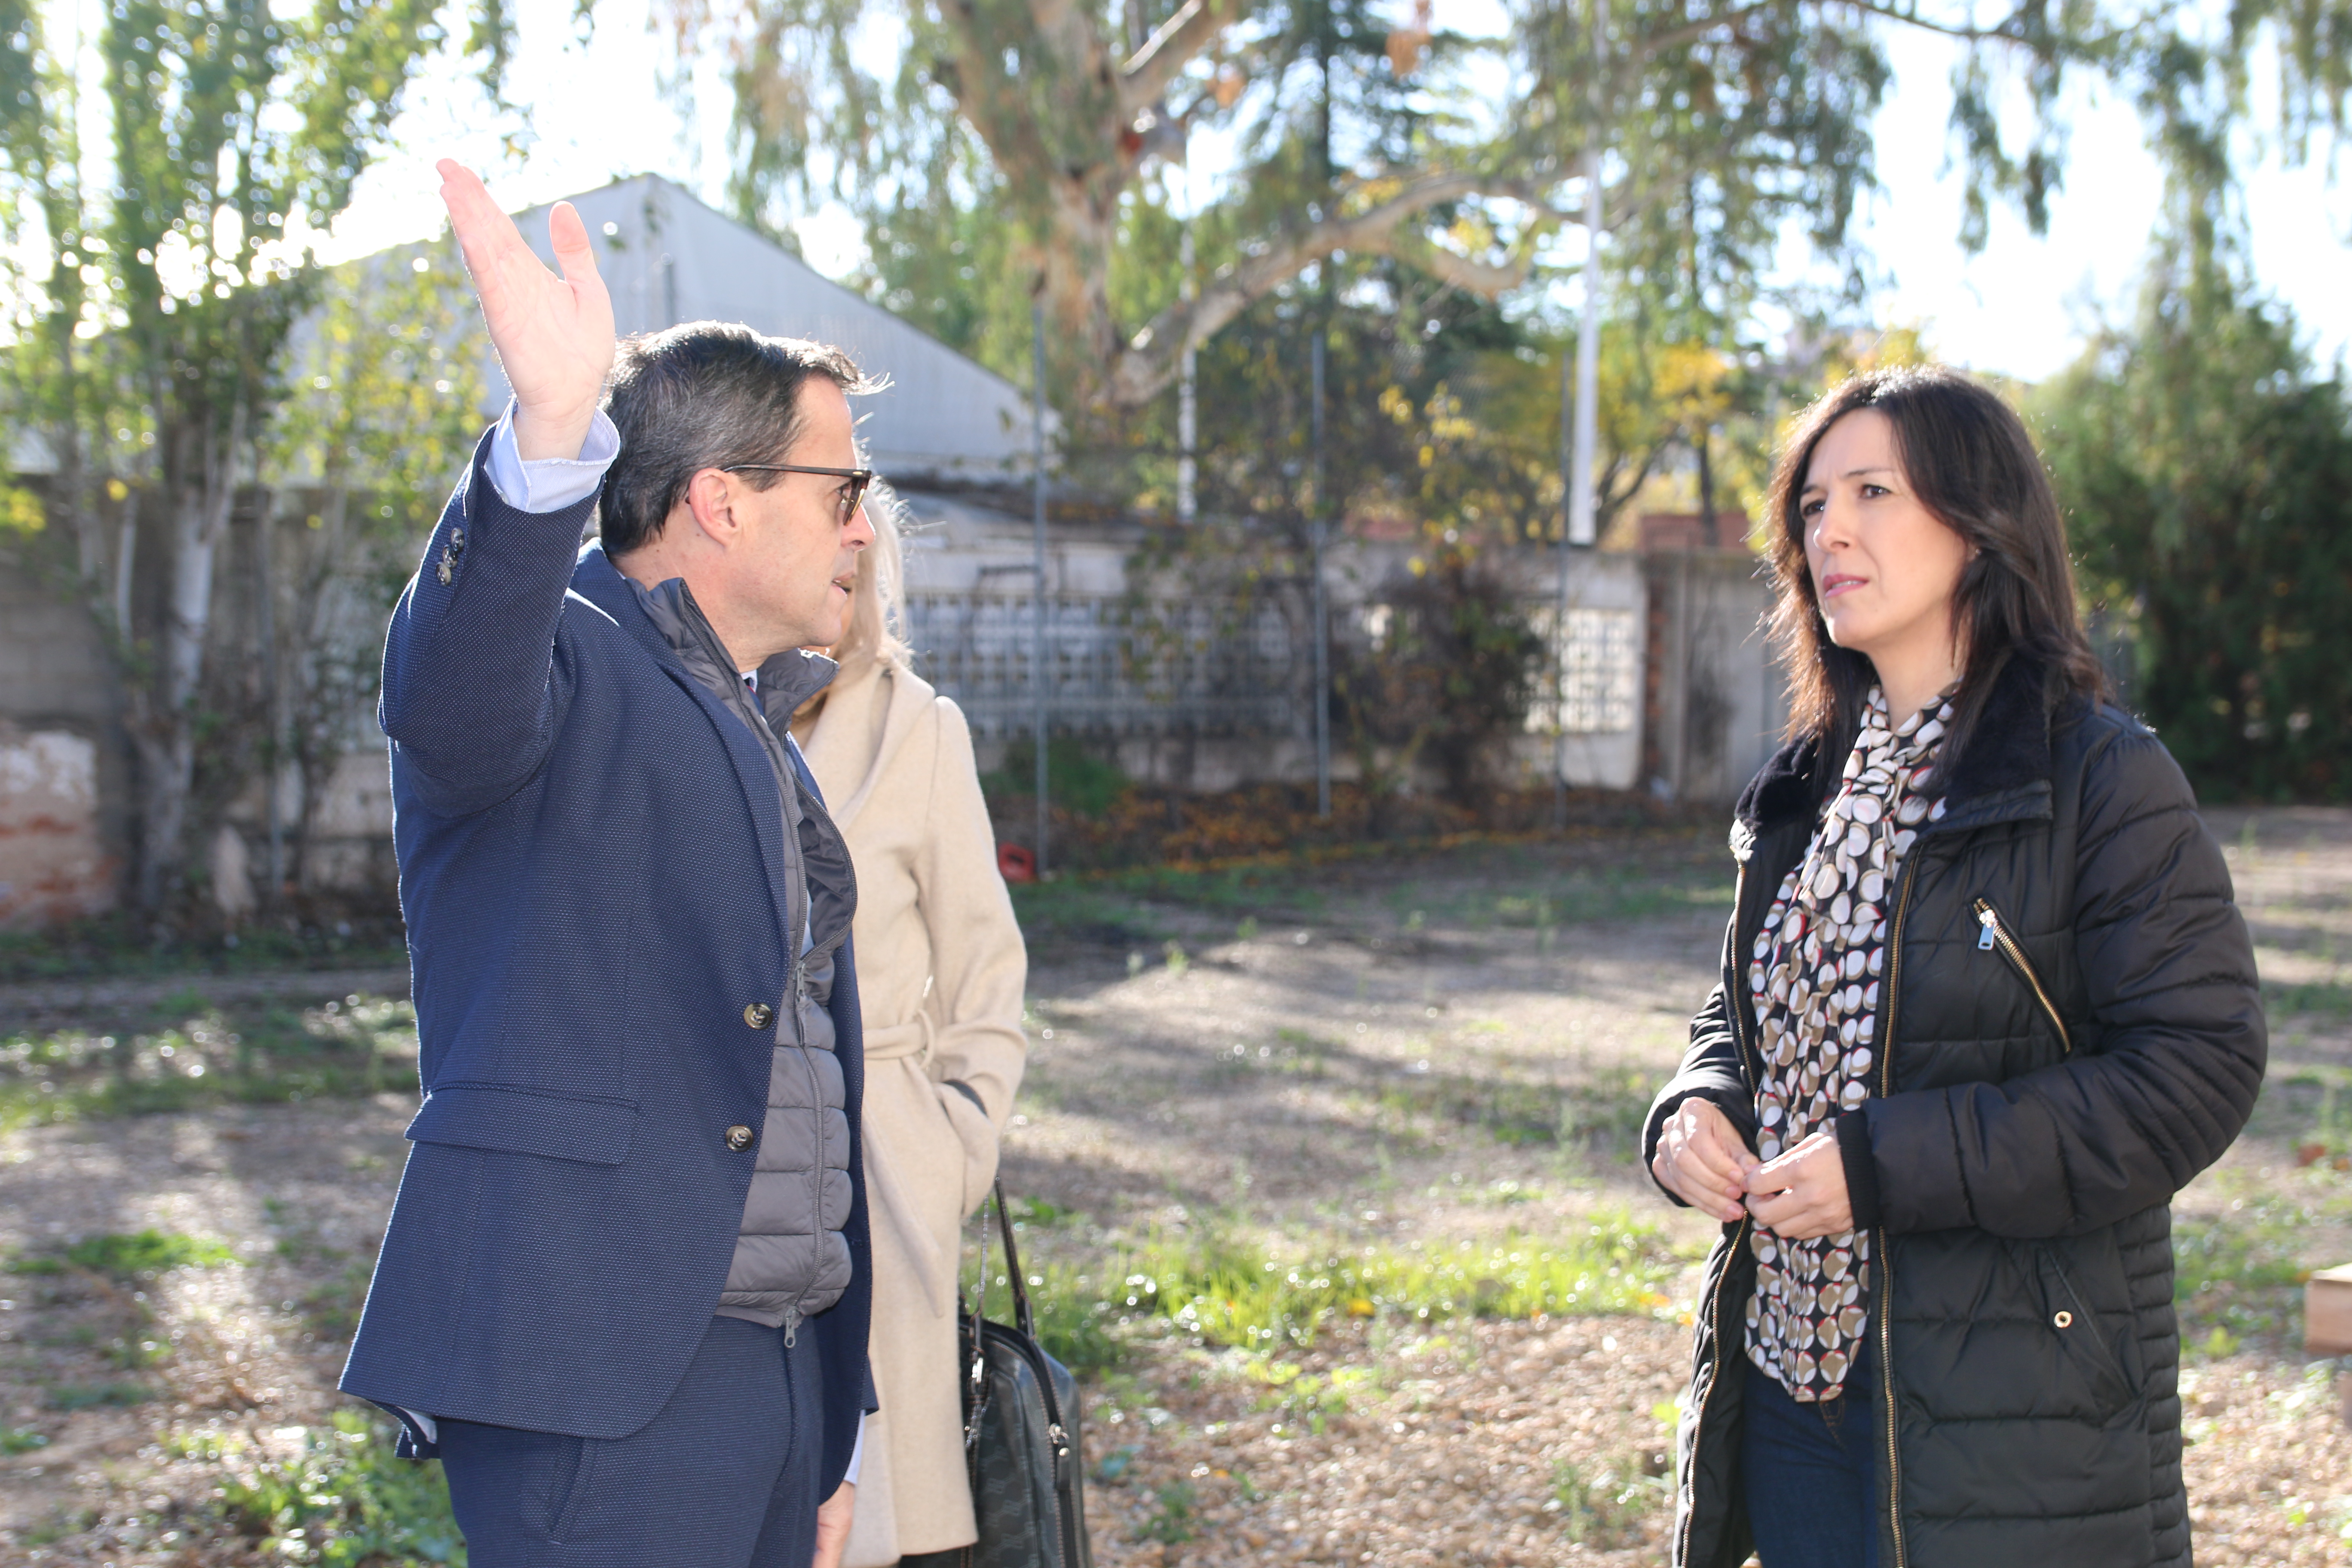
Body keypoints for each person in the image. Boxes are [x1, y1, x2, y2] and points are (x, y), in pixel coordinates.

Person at [340, 161, 879, 1568]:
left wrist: (830, 1416)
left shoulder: (758, 722)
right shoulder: (565, 655)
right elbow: (452, 695)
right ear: (719, 498)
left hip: (771, 1360)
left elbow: (803, 1059)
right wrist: (548, 435)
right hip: (610, 1367)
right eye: (842, 489)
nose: (863, 526)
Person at [1643, 364, 2264, 1568]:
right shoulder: (1801, 792)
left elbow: (2199, 1070)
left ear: (1981, 525)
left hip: (2014, 1425)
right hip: (1791, 1390)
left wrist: (1885, 1165)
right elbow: (1744, 1012)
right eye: (1813, 506)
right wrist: (1695, 1105)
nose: (1831, 530)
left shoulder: (2098, 777)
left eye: (1874, 490)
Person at [789, 495, 1029, 1568]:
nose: (843, 570)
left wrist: (957, 1143)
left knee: (877, 1518)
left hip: (886, 1166)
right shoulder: (694, 711)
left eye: (858, 554)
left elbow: (988, 969)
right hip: (726, 1164)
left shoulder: (919, 727)